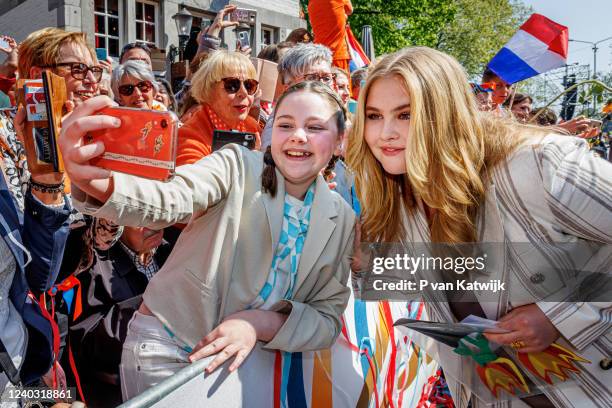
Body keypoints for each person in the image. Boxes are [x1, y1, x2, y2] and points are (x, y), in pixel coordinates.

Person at [347, 47, 611, 408]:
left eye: (406, 114)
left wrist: (558, 314)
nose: (385, 133)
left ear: (447, 114)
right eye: (374, 116)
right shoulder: (400, 195)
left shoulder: (536, 165)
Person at [58, 80, 355, 400]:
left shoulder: (339, 218)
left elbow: (325, 319)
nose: (298, 135)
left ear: (338, 140)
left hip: (249, 366)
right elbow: (170, 197)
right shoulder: (237, 165)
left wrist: (259, 324)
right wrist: (98, 180)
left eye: (314, 127)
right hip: (168, 352)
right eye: (286, 124)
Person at [68, 225, 171, 406]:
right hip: (124, 393)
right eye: (141, 215)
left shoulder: (173, 251)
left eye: (157, 211)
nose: (153, 222)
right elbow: (86, 339)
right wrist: (149, 305)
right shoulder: (92, 263)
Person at [175, 50, 261, 166]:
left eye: (249, 85)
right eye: (232, 85)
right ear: (208, 89)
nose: (244, 93)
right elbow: (198, 181)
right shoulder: (189, 136)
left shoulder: (252, 127)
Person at [261, 42, 335, 149]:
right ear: (288, 87)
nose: (322, 84)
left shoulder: (339, 115)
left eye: (326, 78)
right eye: (312, 78)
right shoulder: (277, 126)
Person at [19, 28, 102, 104]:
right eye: (78, 68)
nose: (93, 80)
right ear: (38, 75)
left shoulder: (106, 118)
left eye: (93, 70)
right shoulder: (11, 119)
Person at [308, 0, 353, 73]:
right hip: (337, 54)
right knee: (342, 83)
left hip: (318, 57)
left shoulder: (311, 2)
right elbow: (350, 10)